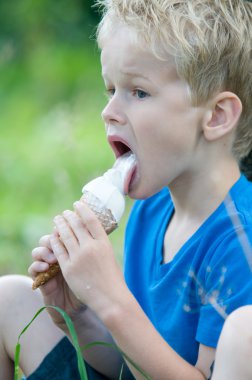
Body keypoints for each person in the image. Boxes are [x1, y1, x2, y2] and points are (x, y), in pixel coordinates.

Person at [0, 0, 251, 379]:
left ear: (215, 116)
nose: (109, 111)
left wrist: (111, 299)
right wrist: (78, 314)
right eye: (111, 89)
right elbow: (130, 367)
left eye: (138, 92)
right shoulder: (151, 210)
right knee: (8, 299)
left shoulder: (239, 240)